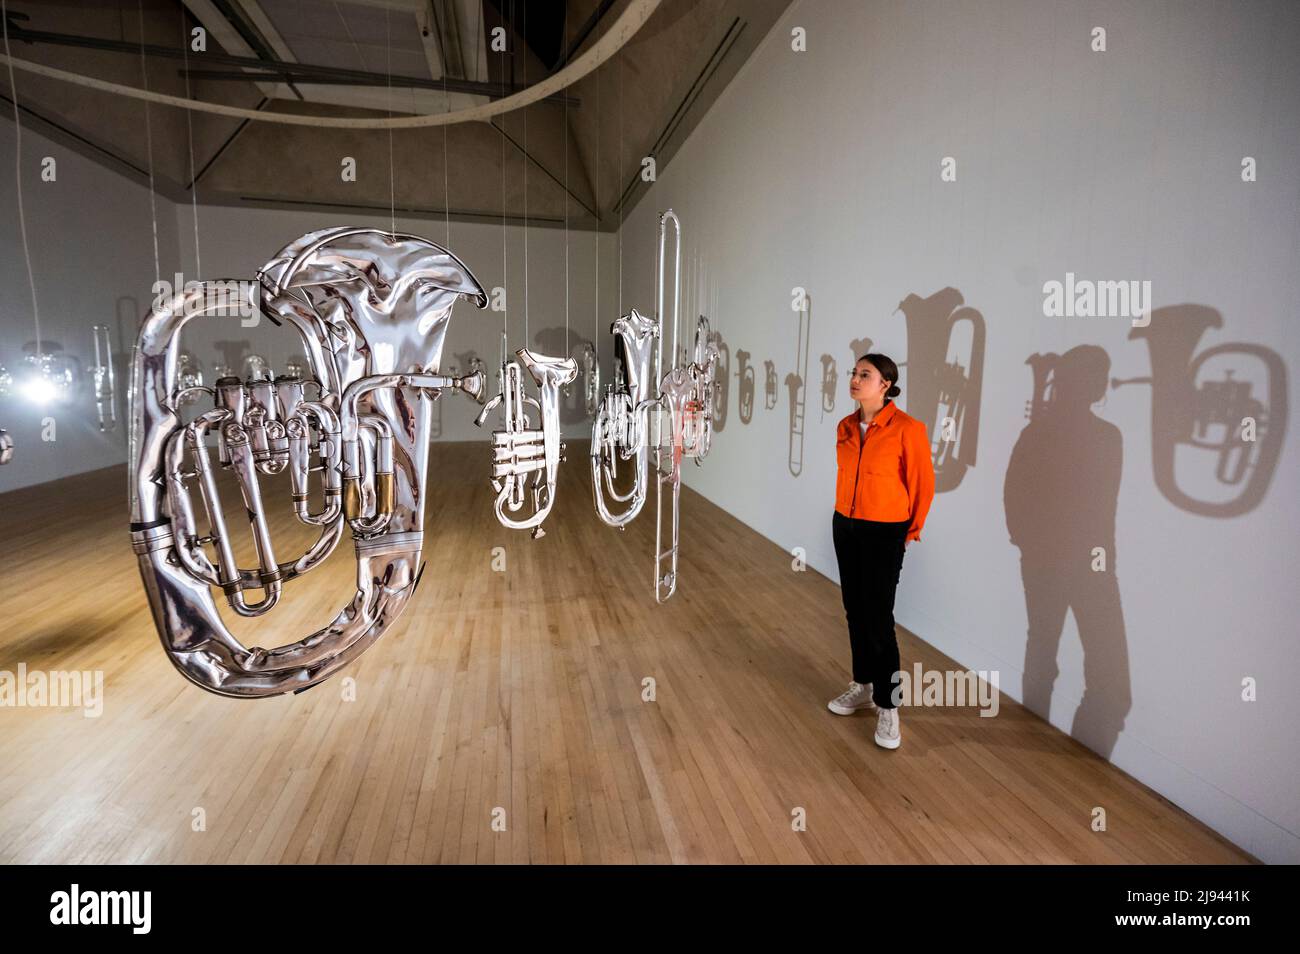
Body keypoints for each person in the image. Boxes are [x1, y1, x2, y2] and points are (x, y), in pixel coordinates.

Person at [827, 353, 935, 749]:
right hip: (846, 525)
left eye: (865, 375)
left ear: (885, 384)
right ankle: (864, 685)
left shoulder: (908, 429)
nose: (855, 379)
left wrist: (910, 531)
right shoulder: (845, 426)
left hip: (885, 531)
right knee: (854, 609)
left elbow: (923, 484)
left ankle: (889, 706)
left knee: (878, 616)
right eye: (854, 373)